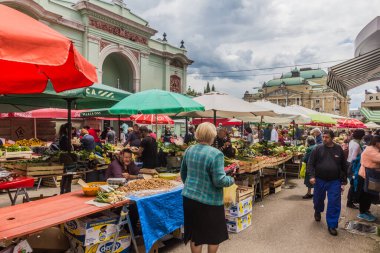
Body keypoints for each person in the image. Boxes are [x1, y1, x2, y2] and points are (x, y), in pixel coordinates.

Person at [181, 122, 234, 253]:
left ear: (197, 134)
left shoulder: (189, 150)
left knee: (196, 235)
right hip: (209, 201)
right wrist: (231, 179)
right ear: (213, 136)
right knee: (213, 236)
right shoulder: (216, 154)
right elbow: (219, 181)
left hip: (189, 198)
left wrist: (191, 185)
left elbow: (183, 174)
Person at [307, 129, 348, 236]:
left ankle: (332, 225)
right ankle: (317, 210)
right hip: (319, 180)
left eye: (327, 137)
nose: (324, 139)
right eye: (324, 137)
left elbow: (344, 166)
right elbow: (310, 164)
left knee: (334, 203)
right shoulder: (317, 149)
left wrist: (343, 181)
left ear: (332, 138)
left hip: (334, 181)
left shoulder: (339, 149)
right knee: (318, 199)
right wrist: (311, 176)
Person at [357, 135, 380, 222]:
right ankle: (362, 213)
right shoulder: (371, 150)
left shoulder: (374, 148)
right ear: (377, 143)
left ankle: (365, 210)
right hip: (365, 176)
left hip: (370, 176)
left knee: (369, 194)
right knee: (366, 195)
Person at [346, 129, 365, 209]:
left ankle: (352, 200)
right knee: (354, 184)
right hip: (354, 165)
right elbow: (354, 157)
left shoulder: (352, 141)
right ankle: (350, 202)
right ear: (361, 136)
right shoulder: (357, 145)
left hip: (349, 163)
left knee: (353, 183)